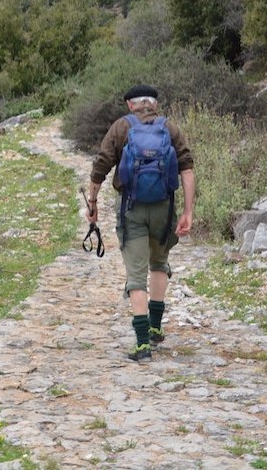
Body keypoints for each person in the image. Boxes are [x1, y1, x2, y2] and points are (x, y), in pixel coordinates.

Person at [85, 84, 195, 361]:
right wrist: (188, 212)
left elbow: (101, 165)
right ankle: (156, 327)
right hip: (164, 209)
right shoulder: (170, 128)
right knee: (159, 263)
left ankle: (142, 343)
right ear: (154, 105)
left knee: (135, 275)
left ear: (129, 105)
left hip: (131, 209)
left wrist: (93, 204)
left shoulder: (121, 128)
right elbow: (187, 166)